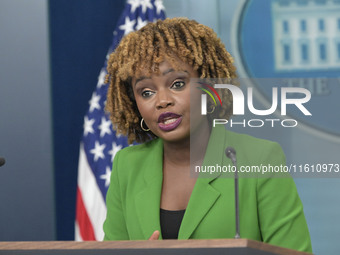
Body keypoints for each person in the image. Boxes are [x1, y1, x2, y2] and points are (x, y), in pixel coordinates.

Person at [103, 18, 312, 253]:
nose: (162, 101)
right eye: (147, 92)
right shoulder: (128, 166)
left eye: (178, 83)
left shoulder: (260, 159)